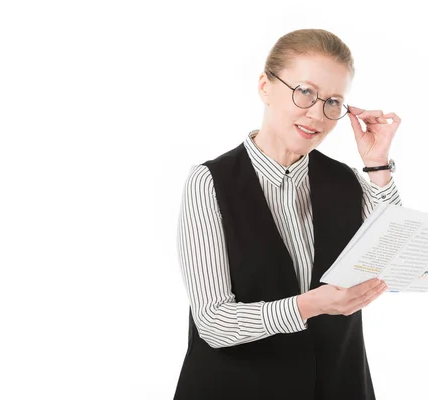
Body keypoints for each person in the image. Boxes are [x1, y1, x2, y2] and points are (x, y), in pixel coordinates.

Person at [173, 28, 402, 400]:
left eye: (333, 102)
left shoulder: (345, 179)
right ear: (265, 86)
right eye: (305, 92)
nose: (317, 114)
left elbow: (393, 259)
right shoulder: (210, 181)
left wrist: (377, 165)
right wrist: (311, 305)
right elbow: (213, 322)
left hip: (338, 386)